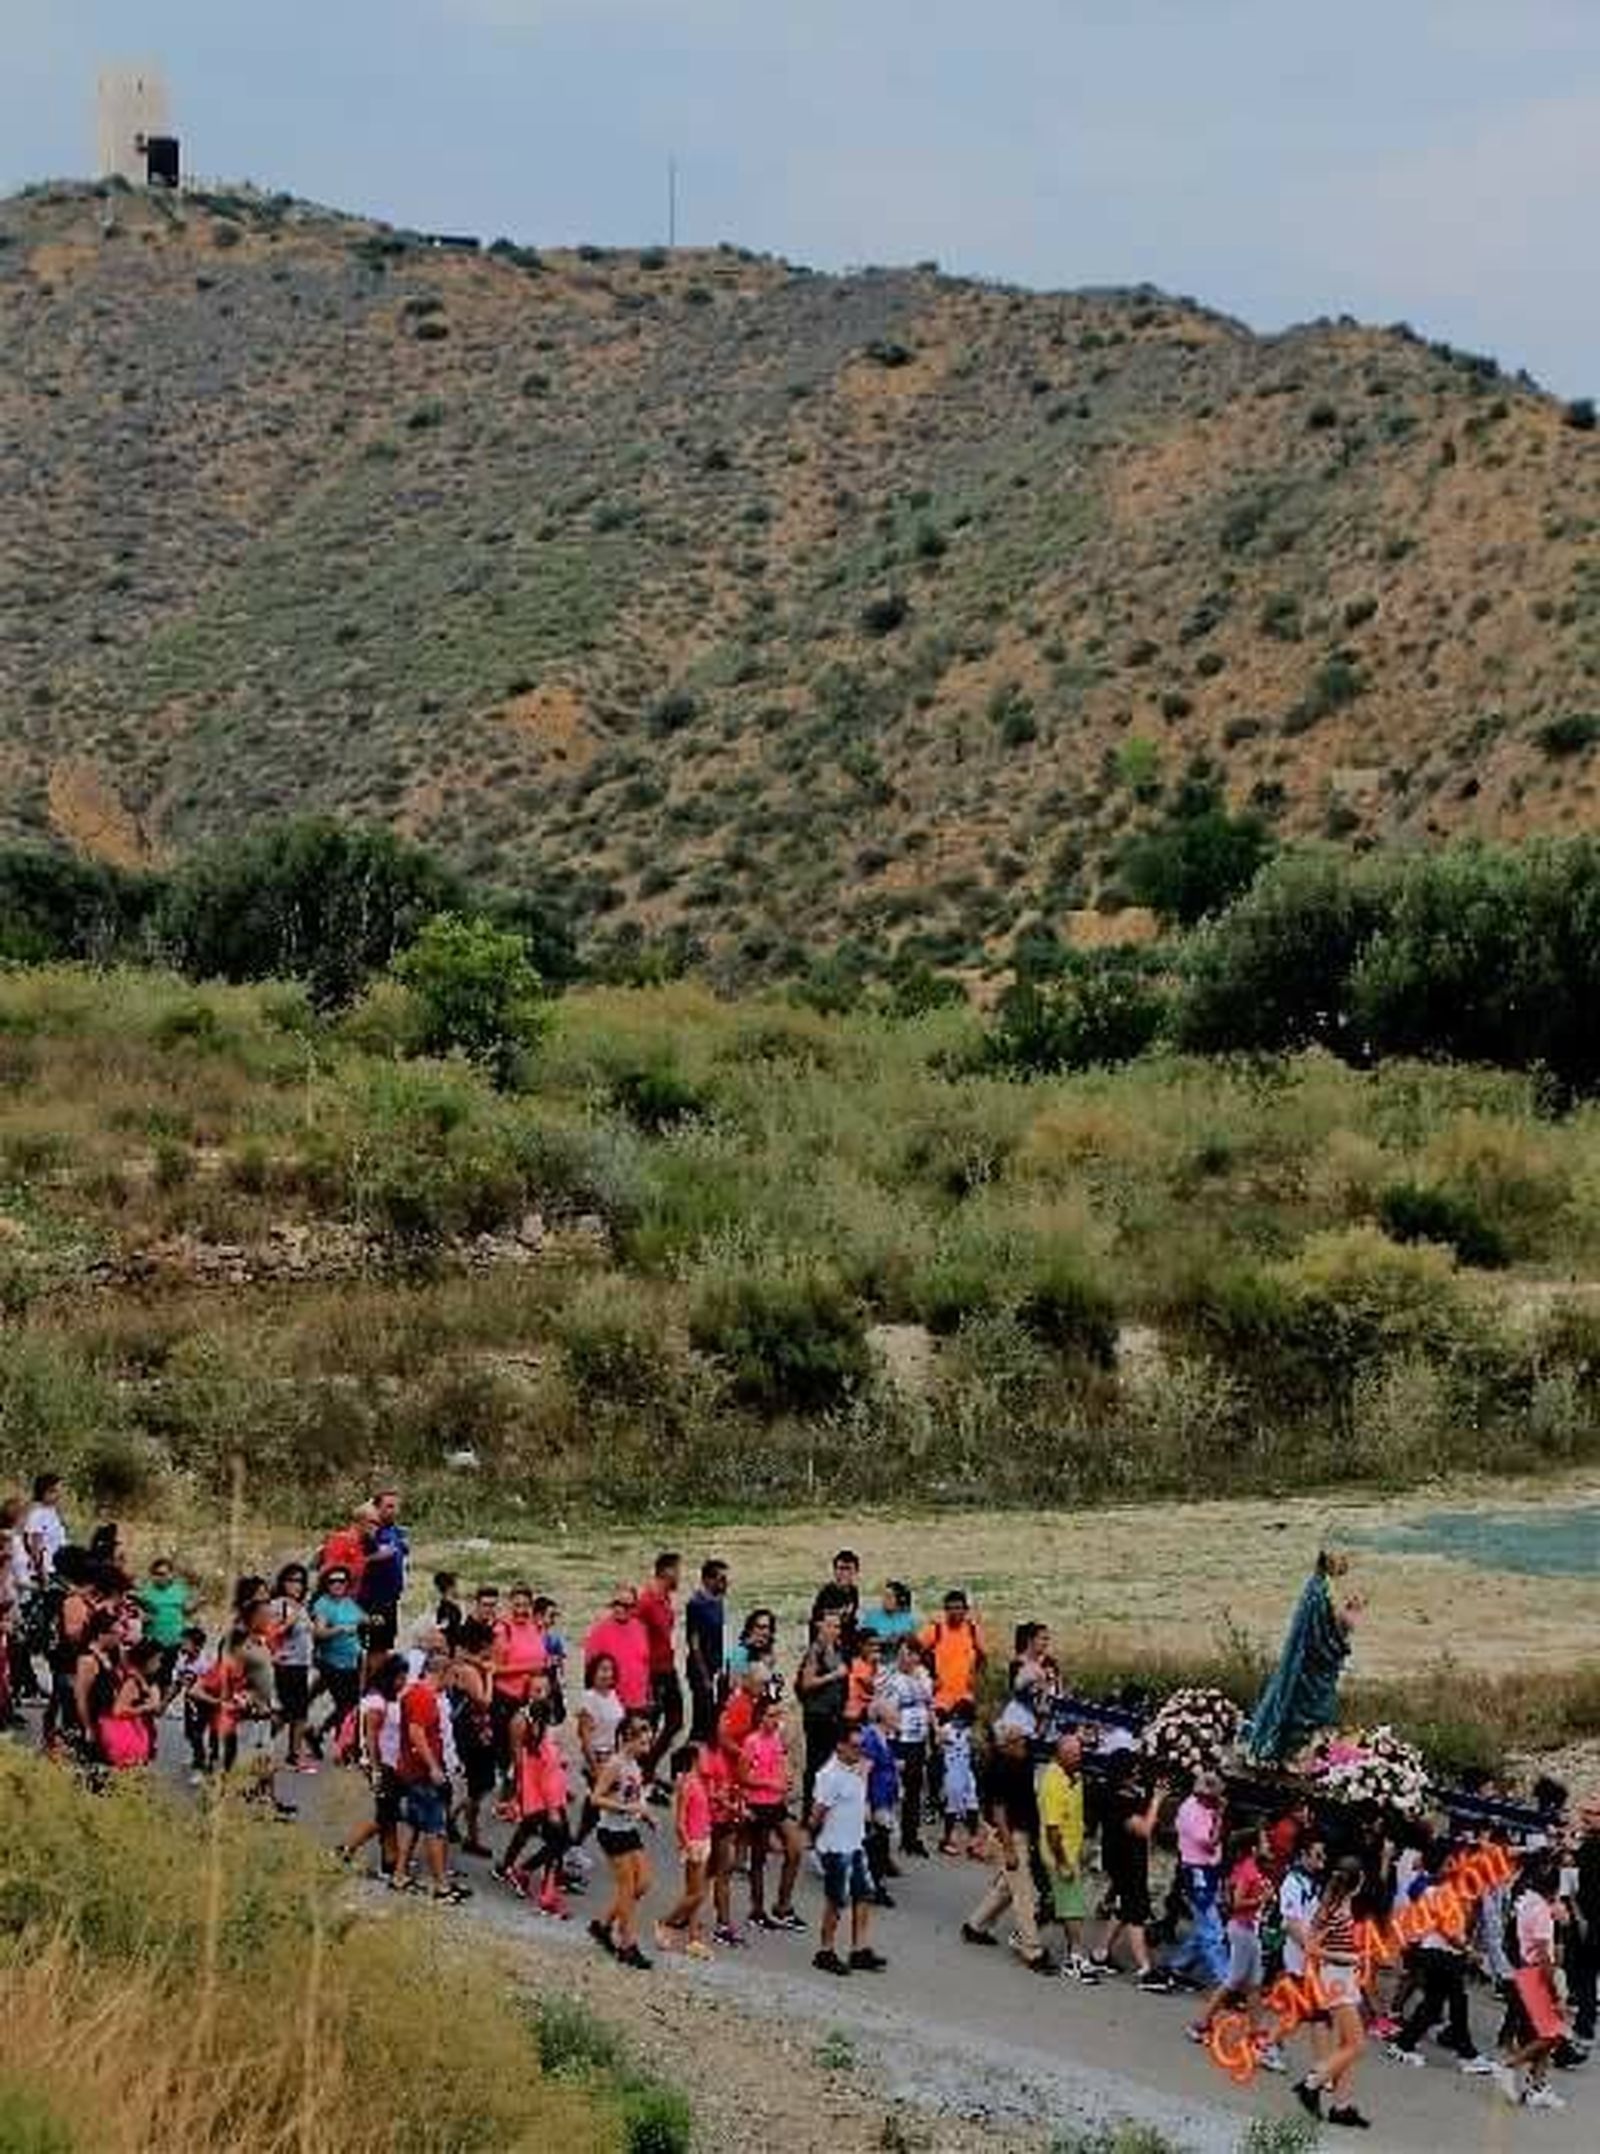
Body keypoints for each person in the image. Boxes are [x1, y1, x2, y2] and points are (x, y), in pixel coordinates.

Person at [1383, 1833, 1494, 2074]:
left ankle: (1405, 2044)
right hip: (1439, 1953)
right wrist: (1466, 1949)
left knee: (1436, 2003)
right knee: (1455, 2000)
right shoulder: (1437, 1891)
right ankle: (1466, 2054)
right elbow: (1445, 1928)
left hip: (1443, 1953)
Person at [1248, 1551, 1361, 1766]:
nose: (1346, 1563)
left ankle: (1298, 1752)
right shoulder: (1320, 1592)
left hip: (1309, 1664)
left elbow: (1323, 1628)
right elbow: (1325, 1637)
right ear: (1329, 1559)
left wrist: (1345, 1614)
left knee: (1307, 1710)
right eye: (1342, 1558)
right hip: (1310, 1668)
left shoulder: (1319, 1586)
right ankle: (1294, 1755)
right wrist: (1351, 1616)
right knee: (1307, 1711)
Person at [961, 1712, 1052, 1974]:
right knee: (1023, 1892)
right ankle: (1032, 1950)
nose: (1024, 1745)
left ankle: (975, 1926)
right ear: (1006, 1744)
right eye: (1019, 1741)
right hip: (1009, 1834)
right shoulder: (999, 1767)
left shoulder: (1022, 1757)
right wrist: (1010, 1848)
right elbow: (999, 1811)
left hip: (1023, 1829)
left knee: (1007, 1886)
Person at [1190, 1826, 1284, 2070]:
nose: (1268, 1846)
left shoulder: (1255, 1870)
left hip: (1249, 1931)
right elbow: (1237, 1903)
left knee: (1254, 1986)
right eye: (1264, 1842)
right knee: (1234, 1981)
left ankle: (1256, 2033)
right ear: (1253, 1848)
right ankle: (1200, 2023)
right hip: (1242, 1930)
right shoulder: (1248, 1871)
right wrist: (1260, 1900)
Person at [1293, 1855, 1372, 2130]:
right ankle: (1311, 2083)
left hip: (1344, 1977)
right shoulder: (1335, 1911)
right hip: (1335, 1978)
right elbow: (1312, 1947)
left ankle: (1342, 2106)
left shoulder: (1341, 1906)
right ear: (1357, 1882)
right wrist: (1348, 1957)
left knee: (1347, 2045)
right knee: (1357, 2045)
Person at [391, 1651, 470, 1905]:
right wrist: (434, 1766)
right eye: (452, 1675)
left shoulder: (417, 1693)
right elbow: (417, 1734)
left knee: (414, 1824)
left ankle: (400, 1874)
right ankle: (440, 1886)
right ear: (442, 1673)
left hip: (414, 1770)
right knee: (435, 1828)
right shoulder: (424, 1698)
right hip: (422, 1773)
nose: (453, 1681)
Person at [811, 1724, 887, 1976]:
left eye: (861, 1746)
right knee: (836, 1901)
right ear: (840, 1746)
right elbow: (817, 1814)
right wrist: (818, 1841)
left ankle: (858, 1949)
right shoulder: (830, 1776)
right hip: (836, 1846)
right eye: (855, 1746)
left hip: (855, 1843)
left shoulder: (855, 1769)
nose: (860, 1751)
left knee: (863, 1895)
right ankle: (826, 1950)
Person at [1495, 1858, 1569, 2111]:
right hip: (1535, 1974)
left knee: (1546, 2033)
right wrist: (1555, 1991)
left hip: (1525, 1970)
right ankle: (1509, 2066)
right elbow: (1544, 1955)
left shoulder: (1527, 1902)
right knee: (1552, 2034)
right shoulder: (1541, 1913)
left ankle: (1538, 2085)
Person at [1094, 1749, 1172, 1988]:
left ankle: (1100, 1954)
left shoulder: (1127, 1793)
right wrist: (1157, 1801)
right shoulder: (1116, 1799)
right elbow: (1144, 1828)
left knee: (1124, 1906)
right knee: (1135, 1910)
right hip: (1123, 1860)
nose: (1137, 1775)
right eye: (1133, 1771)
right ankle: (1145, 1969)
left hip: (1129, 1858)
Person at [497, 1682, 571, 1916]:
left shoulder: (536, 1742)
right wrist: (552, 1810)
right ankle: (530, 1877)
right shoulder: (540, 1744)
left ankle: (542, 1886)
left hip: (540, 1801)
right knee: (559, 1843)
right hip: (546, 1803)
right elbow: (545, 1779)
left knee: (552, 1842)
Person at [591, 1711, 656, 1967]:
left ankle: (604, 1926)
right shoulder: (616, 1764)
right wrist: (626, 1809)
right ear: (628, 1738)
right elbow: (596, 1798)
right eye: (643, 1740)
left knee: (644, 1883)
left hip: (629, 1830)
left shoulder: (634, 1766)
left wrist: (646, 1815)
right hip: (612, 1832)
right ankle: (627, 1944)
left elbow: (634, 1797)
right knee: (627, 1887)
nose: (647, 1744)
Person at [738, 1690, 805, 1933]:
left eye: (777, 1715)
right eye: (770, 1715)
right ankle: (757, 1910)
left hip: (776, 1804)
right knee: (758, 1859)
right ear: (760, 1717)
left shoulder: (776, 1739)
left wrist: (785, 1778)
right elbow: (743, 1776)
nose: (774, 1720)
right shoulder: (751, 1742)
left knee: (795, 1848)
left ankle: (783, 1905)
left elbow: (780, 1762)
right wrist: (770, 1783)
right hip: (758, 1804)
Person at [339, 1651, 409, 1878]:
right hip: (382, 1765)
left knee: (388, 1815)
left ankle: (390, 1859)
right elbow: (371, 1738)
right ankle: (347, 1848)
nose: (404, 1682)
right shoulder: (378, 1703)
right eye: (401, 1677)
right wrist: (377, 1769)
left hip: (387, 1764)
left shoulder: (379, 1698)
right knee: (384, 1816)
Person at [1039, 1730, 1098, 1983]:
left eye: (1079, 1753)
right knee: (1073, 1907)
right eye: (1072, 1754)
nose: (1078, 1757)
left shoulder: (1073, 1776)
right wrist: (1063, 1862)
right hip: (1059, 1854)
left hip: (1073, 1849)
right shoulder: (1053, 1782)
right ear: (1059, 1755)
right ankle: (1075, 1955)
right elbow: (1052, 1831)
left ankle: (1025, 1933)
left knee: (1057, 1902)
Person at [1165, 1772, 1229, 1989]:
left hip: (1205, 1870)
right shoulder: (1193, 1813)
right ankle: (1225, 1982)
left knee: (1203, 1925)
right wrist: (1220, 1816)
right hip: (1197, 1872)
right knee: (1213, 1930)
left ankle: (1178, 1965)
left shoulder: (1195, 1805)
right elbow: (1211, 1842)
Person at [655, 1742, 717, 1959]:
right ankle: (666, 1922)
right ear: (694, 1759)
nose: (708, 1760)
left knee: (695, 1893)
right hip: (695, 1843)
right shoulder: (688, 1783)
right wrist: (687, 1843)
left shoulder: (701, 1782)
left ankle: (693, 1937)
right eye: (704, 1757)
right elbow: (680, 1821)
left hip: (704, 1839)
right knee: (696, 1893)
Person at [449, 1616, 498, 1856]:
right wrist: (489, 1675)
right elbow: (484, 1701)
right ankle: (472, 1835)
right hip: (475, 1734)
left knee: (477, 1787)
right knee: (477, 1788)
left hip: (471, 1731)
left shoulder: (462, 1662)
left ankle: (455, 1819)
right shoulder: (470, 1670)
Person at [882, 1636, 934, 1857]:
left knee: (914, 1789)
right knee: (891, 1790)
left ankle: (910, 1837)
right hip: (899, 1738)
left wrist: (935, 1731)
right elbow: (887, 1712)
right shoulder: (893, 1679)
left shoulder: (924, 1676)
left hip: (918, 1739)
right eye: (902, 1654)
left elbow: (929, 1705)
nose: (906, 1658)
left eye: (911, 1654)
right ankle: (883, 1837)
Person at [491, 1584, 550, 1778]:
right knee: (510, 1757)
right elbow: (495, 1669)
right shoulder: (503, 1630)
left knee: (532, 1750)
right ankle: (507, 1798)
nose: (521, 1611)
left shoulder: (535, 1627)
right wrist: (528, 1668)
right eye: (517, 1605)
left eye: (525, 1606)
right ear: (510, 1606)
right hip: (508, 1700)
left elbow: (541, 1658)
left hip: (532, 1700)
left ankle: (529, 1795)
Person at [637, 1551, 683, 1793]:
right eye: (677, 1571)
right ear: (666, 1571)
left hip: (667, 1665)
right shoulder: (648, 1599)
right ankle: (643, 1773)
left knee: (675, 1720)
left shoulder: (664, 1597)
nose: (680, 1576)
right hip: (653, 1670)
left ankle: (648, 1767)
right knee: (652, 1723)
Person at [796, 1607, 849, 1815]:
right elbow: (806, 1683)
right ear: (820, 1626)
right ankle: (809, 1813)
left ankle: (825, 1810)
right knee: (816, 1765)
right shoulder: (815, 1650)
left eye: (837, 1626)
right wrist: (835, 1675)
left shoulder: (834, 1647)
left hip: (832, 1713)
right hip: (818, 1715)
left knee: (830, 1764)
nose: (835, 1630)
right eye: (831, 1625)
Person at [307, 1565, 364, 1754]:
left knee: (353, 1704)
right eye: (333, 1581)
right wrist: (339, 1629)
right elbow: (319, 1631)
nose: (338, 1585)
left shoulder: (349, 1602)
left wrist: (373, 1621)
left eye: (342, 1581)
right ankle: (341, 1745)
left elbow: (362, 1619)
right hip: (332, 1662)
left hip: (352, 1661)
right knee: (346, 1705)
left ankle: (320, 1733)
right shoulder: (324, 1604)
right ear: (327, 1584)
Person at [266, 1562, 315, 1772]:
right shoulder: (278, 1605)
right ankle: (260, 1746)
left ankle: (294, 1755)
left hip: (302, 1664)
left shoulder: (301, 1607)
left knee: (301, 1712)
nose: (296, 1585)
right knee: (285, 1711)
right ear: (283, 1582)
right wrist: (288, 1623)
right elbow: (270, 1634)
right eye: (292, 1580)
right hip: (286, 1665)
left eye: (300, 1581)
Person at [97, 1637, 164, 1769]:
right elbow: (118, 1710)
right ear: (148, 1661)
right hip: (128, 1733)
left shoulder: (144, 1679)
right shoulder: (133, 1682)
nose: (159, 1664)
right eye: (157, 1660)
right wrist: (146, 1707)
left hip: (138, 1729)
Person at [583, 1586, 651, 1714]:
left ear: (634, 1607)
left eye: (626, 1605)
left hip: (639, 1702)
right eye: (616, 1604)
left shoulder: (641, 1629)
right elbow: (590, 1670)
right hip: (611, 1704)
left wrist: (649, 1694)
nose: (620, 1609)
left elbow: (645, 1664)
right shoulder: (599, 1632)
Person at [860, 1694, 901, 1905]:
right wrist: (865, 1802)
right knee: (877, 1843)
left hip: (884, 1798)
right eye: (894, 1713)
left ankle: (874, 1883)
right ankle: (872, 1886)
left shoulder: (884, 1736)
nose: (898, 1716)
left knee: (880, 1842)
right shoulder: (871, 1737)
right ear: (882, 1716)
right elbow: (864, 1771)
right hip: (875, 1799)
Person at [684, 1557, 729, 1744]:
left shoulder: (718, 1602)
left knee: (716, 1714)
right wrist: (704, 1675)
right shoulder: (696, 1604)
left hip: (717, 1665)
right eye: (721, 1579)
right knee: (703, 1716)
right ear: (707, 1580)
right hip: (701, 1667)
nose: (725, 1583)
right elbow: (693, 1643)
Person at [135, 1555, 191, 1692]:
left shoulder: (180, 1590)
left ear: (171, 1574)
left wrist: (198, 1605)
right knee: (150, 1676)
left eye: (164, 1574)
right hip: (153, 1643)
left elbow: (185, 1611)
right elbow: (137, 1612)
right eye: (157, 1574)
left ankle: (159, 1706)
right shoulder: (145, 1592)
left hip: (173, 1642)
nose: (161, 1577)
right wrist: (142, 1616)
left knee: (167, 1676)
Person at [938, 1699, 981, 1855]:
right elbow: (938, 1748)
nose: (958, 1722)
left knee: (972, 1802)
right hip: (952, 1770)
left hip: (966, 1769)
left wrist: (975, 1743)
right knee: (953, 1804)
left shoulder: (969, 1731)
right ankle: (947, 1839)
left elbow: (976, 1747)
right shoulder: (946, 1729)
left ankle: (973, 1839)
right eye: (956, 1718)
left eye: (962, 1719)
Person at [22, 1472, 67, 1587]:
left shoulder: (53, 1512)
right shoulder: (37, 1514)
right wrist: (42, 1573)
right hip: (42, 1572)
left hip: (55, 1568)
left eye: (59, 1491)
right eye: (53, 1491)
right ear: (44, 1492)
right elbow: (35, 1546)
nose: (58, 1495)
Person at [810, 1550, 861, 1652]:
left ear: (855, 1571)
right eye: (841, 1569)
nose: (844, 1573)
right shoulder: (827, 1593)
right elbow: (817, 1622)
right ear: (835, 1571)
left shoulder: (853, 1592)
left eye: (848, 1569)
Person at [875, 1580, 918, 1646]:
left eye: (889, 1597)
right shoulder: (872, 1617)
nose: (884, 1600)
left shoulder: (908, 1618)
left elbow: (914, 1641)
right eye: (884, 1596)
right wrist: (886, 1640)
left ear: (899, 1600)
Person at [433, 1571, 465, 1655]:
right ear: (450, 1588)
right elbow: (444, 1628)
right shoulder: (446, 1608)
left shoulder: (449, 1606)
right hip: (451, 1646)